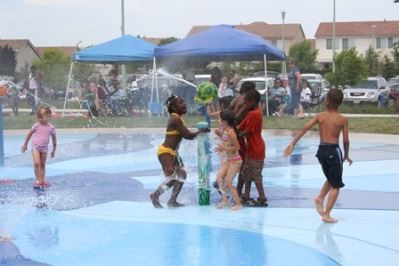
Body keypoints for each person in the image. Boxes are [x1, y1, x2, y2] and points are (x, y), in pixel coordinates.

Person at [283, 89, 352, 223]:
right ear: (341, 103)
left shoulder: (320, 116)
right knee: (336, 185)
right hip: (333, 150)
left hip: (321, 151)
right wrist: (347, 155)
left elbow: (304, 128)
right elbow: (346, 141)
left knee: (332, 177)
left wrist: (293, 143)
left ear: (326, 101)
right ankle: (327, 214)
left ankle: (320, 197)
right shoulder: (342, 119)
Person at [150, 96, 209, 208]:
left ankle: (172, 200)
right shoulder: (174, 119)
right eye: (181, 102)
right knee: (173, 177)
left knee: (182, 175)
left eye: (184, 101)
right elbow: (187, 135)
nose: (184, 104)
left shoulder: (178, 118)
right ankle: (155, 195)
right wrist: (200, 132)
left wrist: (198, 132)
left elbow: (186, 132)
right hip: (165, 152)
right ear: (173, 106)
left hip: (174, 154)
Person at [239, 89, 268, 206]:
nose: (244, 105)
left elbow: (246, 131)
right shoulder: (252, 113)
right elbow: (241, 126)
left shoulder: (254, 114)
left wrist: (234, 135)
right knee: (247, 172)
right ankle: (246, 194)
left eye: (246, 102)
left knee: (256, 174)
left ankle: (262, 197)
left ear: (253, 101)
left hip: (256, 148)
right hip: (251, 148)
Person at [21, 106, 57, 188]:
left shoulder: (51, 128)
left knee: (43, 165)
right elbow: (29, 135)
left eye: (42, 116)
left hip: (44, 149)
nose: (39, 118)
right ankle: (38, 180)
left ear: (48, 116)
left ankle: (42, 180)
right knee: (36, 163)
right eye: (39, 117)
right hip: (35, 147)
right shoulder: (36, 126)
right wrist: (25, 144)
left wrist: (54, 150)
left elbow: (54, 139)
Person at [214, 110, 243, 210]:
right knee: (219, 178)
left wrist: (224, 149)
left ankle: (239, 203)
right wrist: (219, 135)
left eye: (219, 119)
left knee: (228, 181)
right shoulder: (226, 131)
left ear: (224, 121)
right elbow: (227, 142)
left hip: (236, 161)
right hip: (230, 160)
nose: (218, 120)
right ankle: (225, 200)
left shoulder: (230, 132)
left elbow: (237, 147)